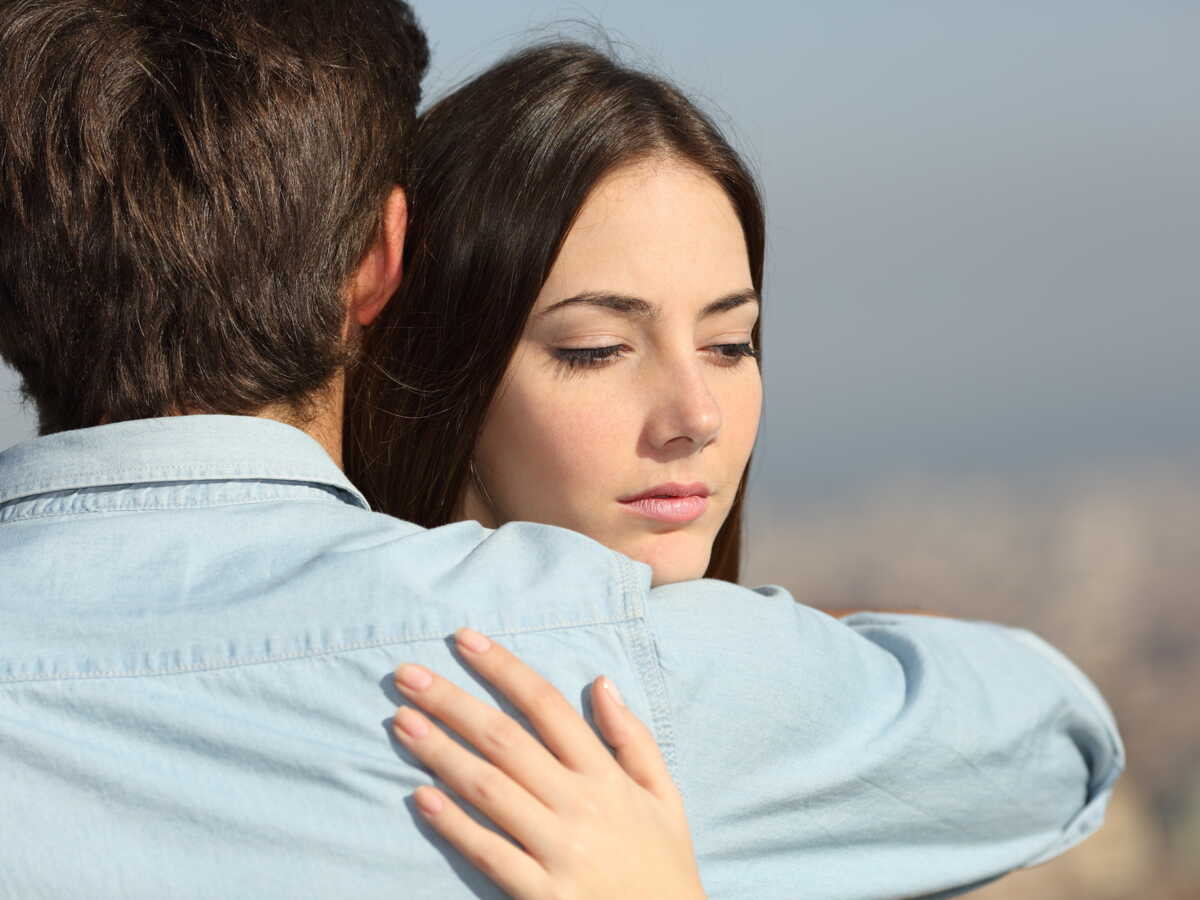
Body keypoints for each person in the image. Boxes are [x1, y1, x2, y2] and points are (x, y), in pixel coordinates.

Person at [0, 2, 1121, 898]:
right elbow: (1052, 733)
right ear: (388, 279)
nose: (697, 413)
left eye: (734, 341)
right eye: (591, 348)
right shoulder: (583, 682)